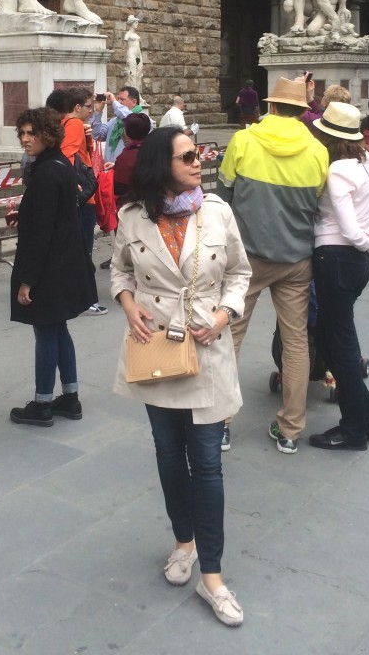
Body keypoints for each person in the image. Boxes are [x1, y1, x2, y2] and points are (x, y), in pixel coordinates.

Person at [111, 127, 251, 627]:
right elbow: (120, 271)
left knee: (208, 463)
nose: (199, 162)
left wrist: (223, 316)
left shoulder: (217, 211)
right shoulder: (131, 218)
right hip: (157, 352)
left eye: (201, 154)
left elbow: (240, 272)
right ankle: (183, 542)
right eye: (189, 156)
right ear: (161, 165)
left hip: (207, 350)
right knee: (169, 456)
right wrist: (128, 307)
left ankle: (212, 576)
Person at [217, 77, 329, 454]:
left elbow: (224, 195)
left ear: (272, 106)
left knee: (229, 336)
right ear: (302, 111)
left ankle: (220, 425)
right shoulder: (317, 151)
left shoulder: (244, 140)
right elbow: (315, 204)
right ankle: (290, 429)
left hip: (246, 259)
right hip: (296, 258)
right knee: (296, 340)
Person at [309, 102, 369, 450]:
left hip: (338, 257)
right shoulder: (364, 160)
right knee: (332, 341)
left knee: (340, 347)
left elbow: (349, 227)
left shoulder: (338, 170)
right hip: (352, 263)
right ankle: (368, 418)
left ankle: (354, 429)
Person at [10, 107, 97, 426]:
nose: (25, 139)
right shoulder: (59, 164)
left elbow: (42, 231)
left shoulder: (47, 171)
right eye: (22, 133)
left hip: (49, 267)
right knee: (58, 328)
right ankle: (70, 397)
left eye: (32, 133)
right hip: (64, 262)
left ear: (48, 133)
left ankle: (43, 402)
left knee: (46, 330)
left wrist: (27, 280)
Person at [51, 85, 107, 315]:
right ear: (77, 107)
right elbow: (67, 155)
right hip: (83, 197)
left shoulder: (65, 124)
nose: (91, 110)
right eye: (88, 106)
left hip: (76, 196)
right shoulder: (73, 124)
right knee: (84, 249)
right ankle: (84, 299)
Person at [93, 85, 144, 164]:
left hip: (128, 169)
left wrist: (114, 101)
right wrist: (98, 112)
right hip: (109, 170)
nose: (119, 102)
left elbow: (130, 118)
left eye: (122, 99)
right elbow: (98, 135)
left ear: (134, 102)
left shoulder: (143, 120)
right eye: (118, 99)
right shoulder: (115, 121)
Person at [112, 112, 151, 209]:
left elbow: (119, 186)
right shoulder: (153, 149)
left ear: (128, 132)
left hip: (132, 207)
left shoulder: (128, 156)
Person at [124, 15, 144, 92]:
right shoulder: (128, 35)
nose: (137, 24)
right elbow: (125, 46)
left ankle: (138, 93)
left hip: (138, 56)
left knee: (139, 74)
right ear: (131, 23)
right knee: (132, 73)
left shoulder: (136, 35)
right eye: (135, 22)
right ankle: (133, 93)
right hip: (131, 54)